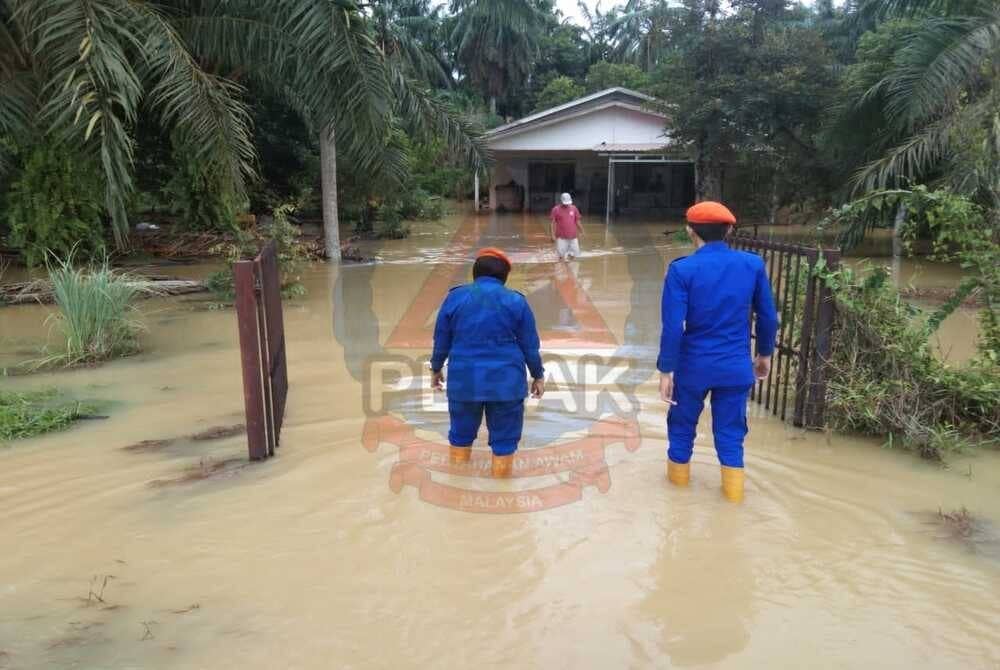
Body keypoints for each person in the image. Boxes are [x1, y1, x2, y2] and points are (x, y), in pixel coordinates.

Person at [657, 201, 778, 502]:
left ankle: (677, 501)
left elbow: (673, 326)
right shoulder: (752, 265)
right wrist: (764, 354)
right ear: (730, 230)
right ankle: (734, 502)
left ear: (689, 231)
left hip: (693, 367)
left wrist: (665, 370)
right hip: (735, 366)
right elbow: (768, 316)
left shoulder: (682, 270)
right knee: (731, 433)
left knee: (682, 427)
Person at [431, 248, 545, 477]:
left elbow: (441, 338)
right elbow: (530, 345)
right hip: (506, 384)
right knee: (504, 442)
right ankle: (503, 492)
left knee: (460, 436)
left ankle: (457, 487)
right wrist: (538, 375)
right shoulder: (516, 301)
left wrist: (435, 368)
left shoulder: (454, 298)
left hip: (464, 381)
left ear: (475, 273)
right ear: (504, 277)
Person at [550, 193, 584, 260]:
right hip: (561, 238)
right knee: (561, 257)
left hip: (573, 237)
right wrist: (552, 235)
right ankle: (561, 269)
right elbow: (552, 223)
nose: (566, 204)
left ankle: (573, 269)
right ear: (561, 201)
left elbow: (577, 221)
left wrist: (582, 231)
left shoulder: (574, 208)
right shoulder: (556, 209)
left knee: (575, 256)